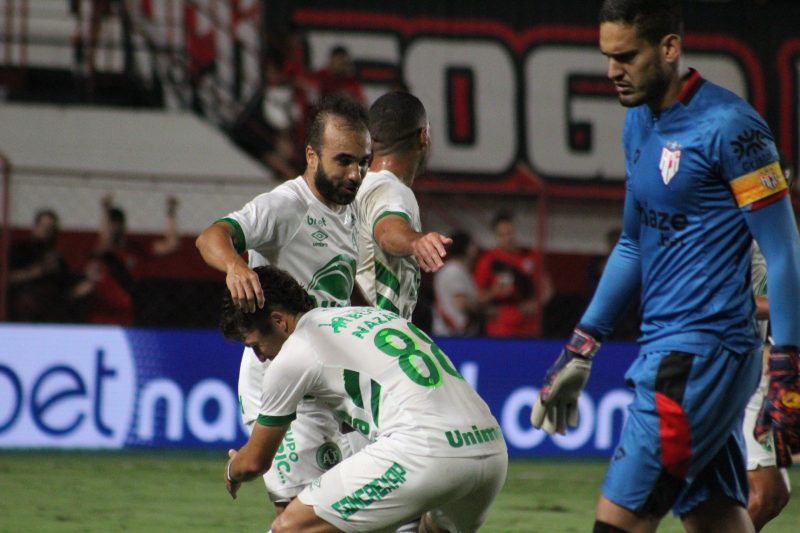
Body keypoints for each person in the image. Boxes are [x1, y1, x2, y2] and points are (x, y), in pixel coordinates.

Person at [531, 1, 800, 532]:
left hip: (699, 357)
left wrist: (789, 366)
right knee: (715, 515)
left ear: (669, 49)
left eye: (626, 56)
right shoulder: (638, 125)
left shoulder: (732, 128)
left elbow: (785, 250)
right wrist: (581, 345)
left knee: (619, 523)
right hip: (674, 352)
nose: (612, 71)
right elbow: (634, 243)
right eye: (608, 56)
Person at [220, 265, 508, 532]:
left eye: (255, 345)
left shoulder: (295, 352)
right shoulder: (372, 316)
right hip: (491, 451)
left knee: (290, 528)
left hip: (426, 449)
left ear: (279, 321)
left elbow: (256, 461)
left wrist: (234, 469)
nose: (260, 357)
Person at [195, 94, 371, 516]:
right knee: (300, 517)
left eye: (363, 161)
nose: (356, 173)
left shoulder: (349, 213)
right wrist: (236, 266)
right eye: (343, 161)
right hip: (281, 382)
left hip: (328, 382)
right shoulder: (286, 206)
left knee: (363, 515)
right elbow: (210, 237)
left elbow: (336, 290)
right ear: (311, 155)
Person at [355, 90, 451, 321]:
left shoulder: (356, 188)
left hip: (349, 335)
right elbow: (388, 231)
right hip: (377, 339)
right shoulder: (392, 190)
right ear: (423, 136)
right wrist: (415, 240)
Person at [82, 194, 180, 325]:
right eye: (111, 224)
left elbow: (171, 245)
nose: (114, 228)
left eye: (118, 223)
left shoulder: (135, 248)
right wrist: (105, 210)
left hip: (127, 315)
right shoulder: (101, 252)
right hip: (101, 314)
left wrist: (171, 213)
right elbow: (105, 240)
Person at [473, 210, 553, 337]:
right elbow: (478, 298)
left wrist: (535, 304)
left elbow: (547, 290)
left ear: (515, 231)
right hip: (499, 329)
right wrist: (494, 293)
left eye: (510, 233)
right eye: (502, 235)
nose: (507, 238)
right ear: (496, 236)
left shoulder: (532, 256)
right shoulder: (487, 260)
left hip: (529, 327)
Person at [7, 209, 80, 322]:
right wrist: (37, 271)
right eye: (43, 226)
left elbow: (67, 289)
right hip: (22, 307)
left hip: (52, 310)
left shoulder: (58, 259)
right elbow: (7, 278)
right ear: (35, 227)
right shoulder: (20, 250)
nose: (46, 231)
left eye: (50, 228)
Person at [432, 230, 486, 336]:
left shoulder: (460, 270)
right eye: (472, 246)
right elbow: (461, 304)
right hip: (453, 334)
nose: (475, 250)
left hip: (456, 332)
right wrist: (484, 311)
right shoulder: (453, 271)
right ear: (466, 248)